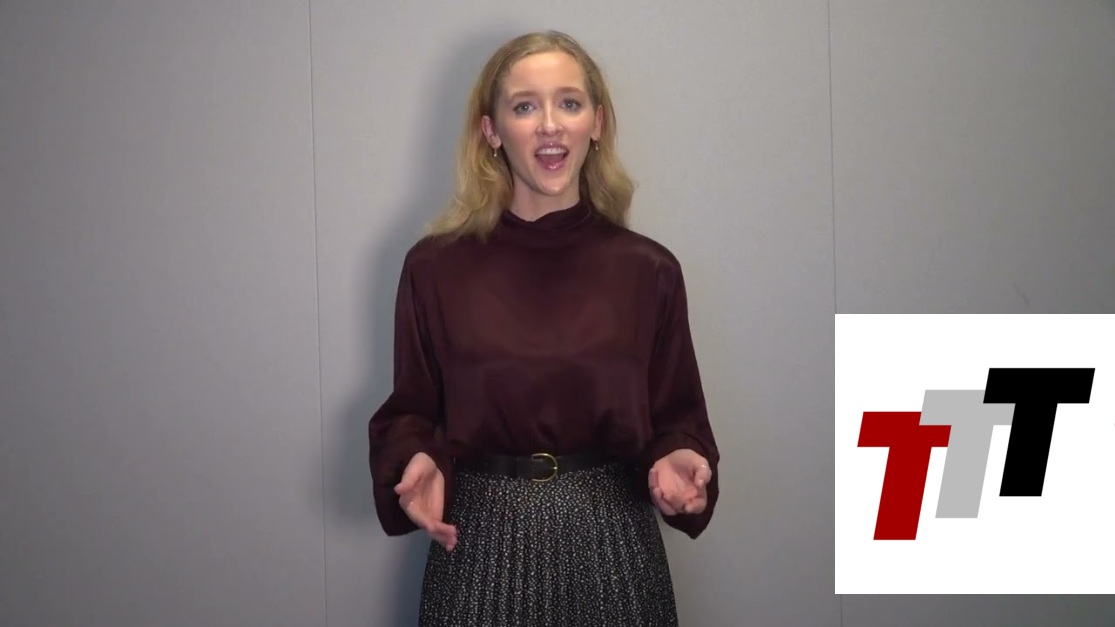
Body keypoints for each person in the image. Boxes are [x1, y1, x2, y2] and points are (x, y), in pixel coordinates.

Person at [368, 30, 720, 627]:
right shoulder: (435, 268)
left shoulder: (649, 270)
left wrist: (681, 457)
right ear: (491, 131)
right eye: (525, 106)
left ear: (597, 123)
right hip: (478, 544)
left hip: (613, 541)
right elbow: (411, 412)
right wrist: (415, 459)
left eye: (570, 103)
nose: (550, 125)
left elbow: (678, 416)